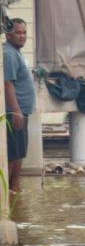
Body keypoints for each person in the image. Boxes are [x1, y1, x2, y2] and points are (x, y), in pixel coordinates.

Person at [3, 18, 35, 193]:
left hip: (22, 111)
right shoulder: (8, 53)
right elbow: (7, 83)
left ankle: (14, 189)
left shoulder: (17, 52)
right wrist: (15, 110)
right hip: (15, 111)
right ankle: (7, 189)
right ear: (8, 33)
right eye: (18, 32)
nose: (22, 36)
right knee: (13, 153)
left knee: (19, 152)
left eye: (24, 33)